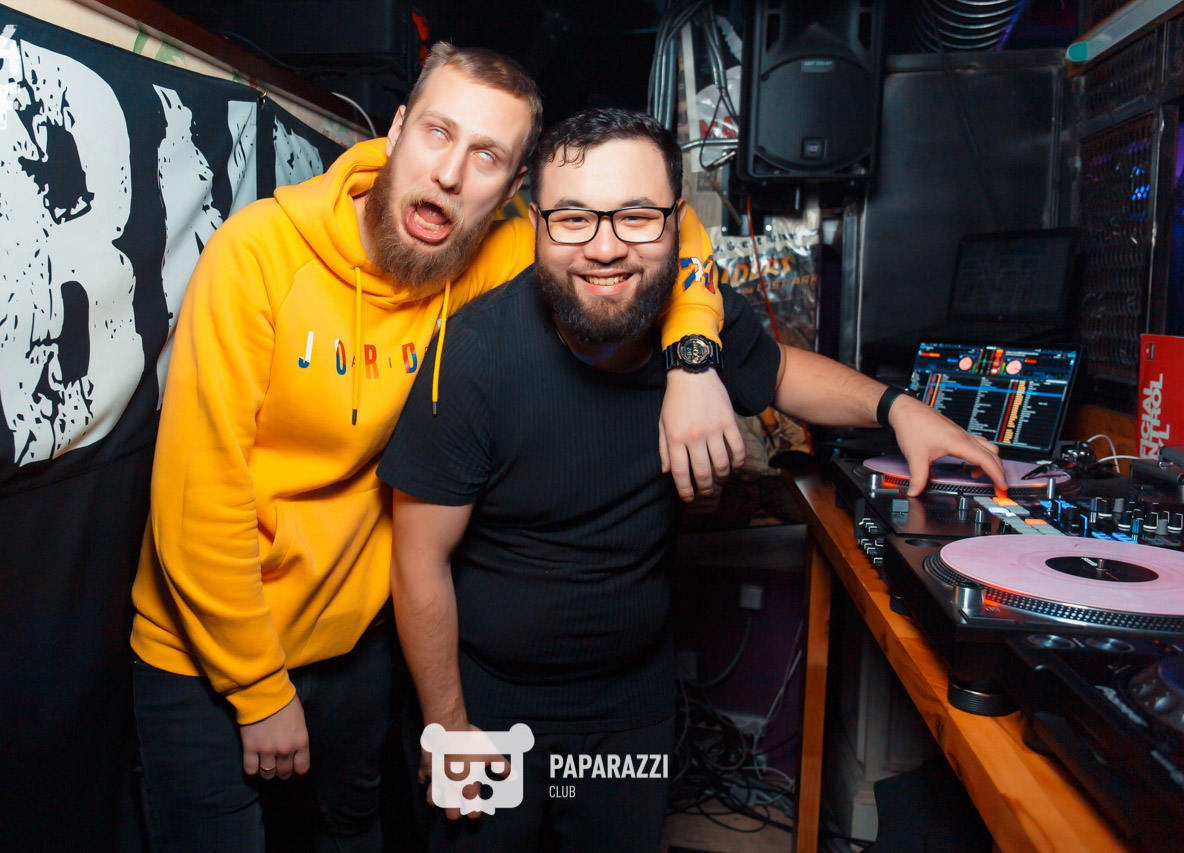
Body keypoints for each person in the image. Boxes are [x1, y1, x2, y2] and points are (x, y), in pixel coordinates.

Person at [128, 44, 743, 852]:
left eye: (486, 155)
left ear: (513, 191)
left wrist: (692, 356)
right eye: (437, 133)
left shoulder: (501, 252)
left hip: (353, 646)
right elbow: (196, 498)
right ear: (395, 132)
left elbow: (668, 224)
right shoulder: (259, 256)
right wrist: (257, 686)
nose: (450, 174)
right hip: (211, 652)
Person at [379, 107, 1007, 852]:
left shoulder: (692, 327)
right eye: (574, 218)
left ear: (678, 224)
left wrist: (899, 409)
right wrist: (447, 725)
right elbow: (419, 562)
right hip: (486, 704)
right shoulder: (474, 355)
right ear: (536, 223)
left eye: (637, 217)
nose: (605, 248)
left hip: (630, 705)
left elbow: (782, 372)